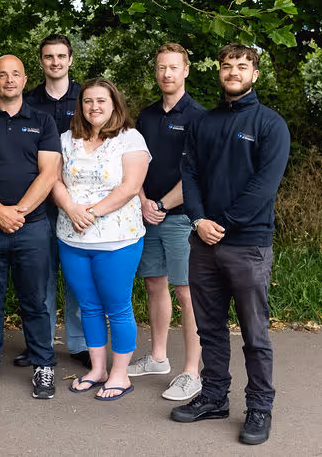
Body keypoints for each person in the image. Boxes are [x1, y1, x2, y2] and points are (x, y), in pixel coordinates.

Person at [171, 44, 290, 446]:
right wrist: (198, 220)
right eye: (226, 66)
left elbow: (264, 187)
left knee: (254, 333)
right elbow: (189, 174)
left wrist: (220, 223)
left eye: (242, 66)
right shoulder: (203, 123)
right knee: (210, 328)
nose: (233, 72)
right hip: (203, 242)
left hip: (248, 245)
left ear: (254, 74)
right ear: (219, 72)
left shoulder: (270, 124)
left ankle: (259, 406)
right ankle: (214, 396)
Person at [0, 55, 61, 400]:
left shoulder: (43, 121)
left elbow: (49, 173)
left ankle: (43, 366)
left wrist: (17, 212)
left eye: (15, 74)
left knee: (35, 300)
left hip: (32, 228)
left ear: (24, 79)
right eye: (2, 75)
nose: (9, 80)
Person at [51, 78, 150, 400]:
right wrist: (70, 208)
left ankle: (120, 374)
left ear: (114, 104)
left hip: (117, 240)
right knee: (88, 306)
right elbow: (53, 180)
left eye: (101, 101)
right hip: (72, 238)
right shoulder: (66, 139)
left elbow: (130, 187)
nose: (94, 107)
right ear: (80, 106)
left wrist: (91, 213)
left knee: (117, 307)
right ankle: (97, 369)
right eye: (88, 101)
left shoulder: (130, 138)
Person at [131, 43, 207, 402]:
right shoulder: (146, 117)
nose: (167, 74)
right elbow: (134, 163)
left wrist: (161, 204)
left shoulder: (199, 117)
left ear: (186, 70)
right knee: (154, 284)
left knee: (186, 293)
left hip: (181, 219)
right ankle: (158, 358)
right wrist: (143, 200)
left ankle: (192, 372)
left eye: (173, 67)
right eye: (161, 67)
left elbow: (196, 173)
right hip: (147, 215)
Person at [22, 34, 87, 368]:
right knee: (40, 276)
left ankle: (80, 344)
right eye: (49, 57)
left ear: (70, 60)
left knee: (77, 277)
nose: (55, 62)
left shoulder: (87, 98)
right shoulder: (28, 102)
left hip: (80, 202)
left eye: (61, 56)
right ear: (41, 61)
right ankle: (41, 343)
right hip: (40, 202)